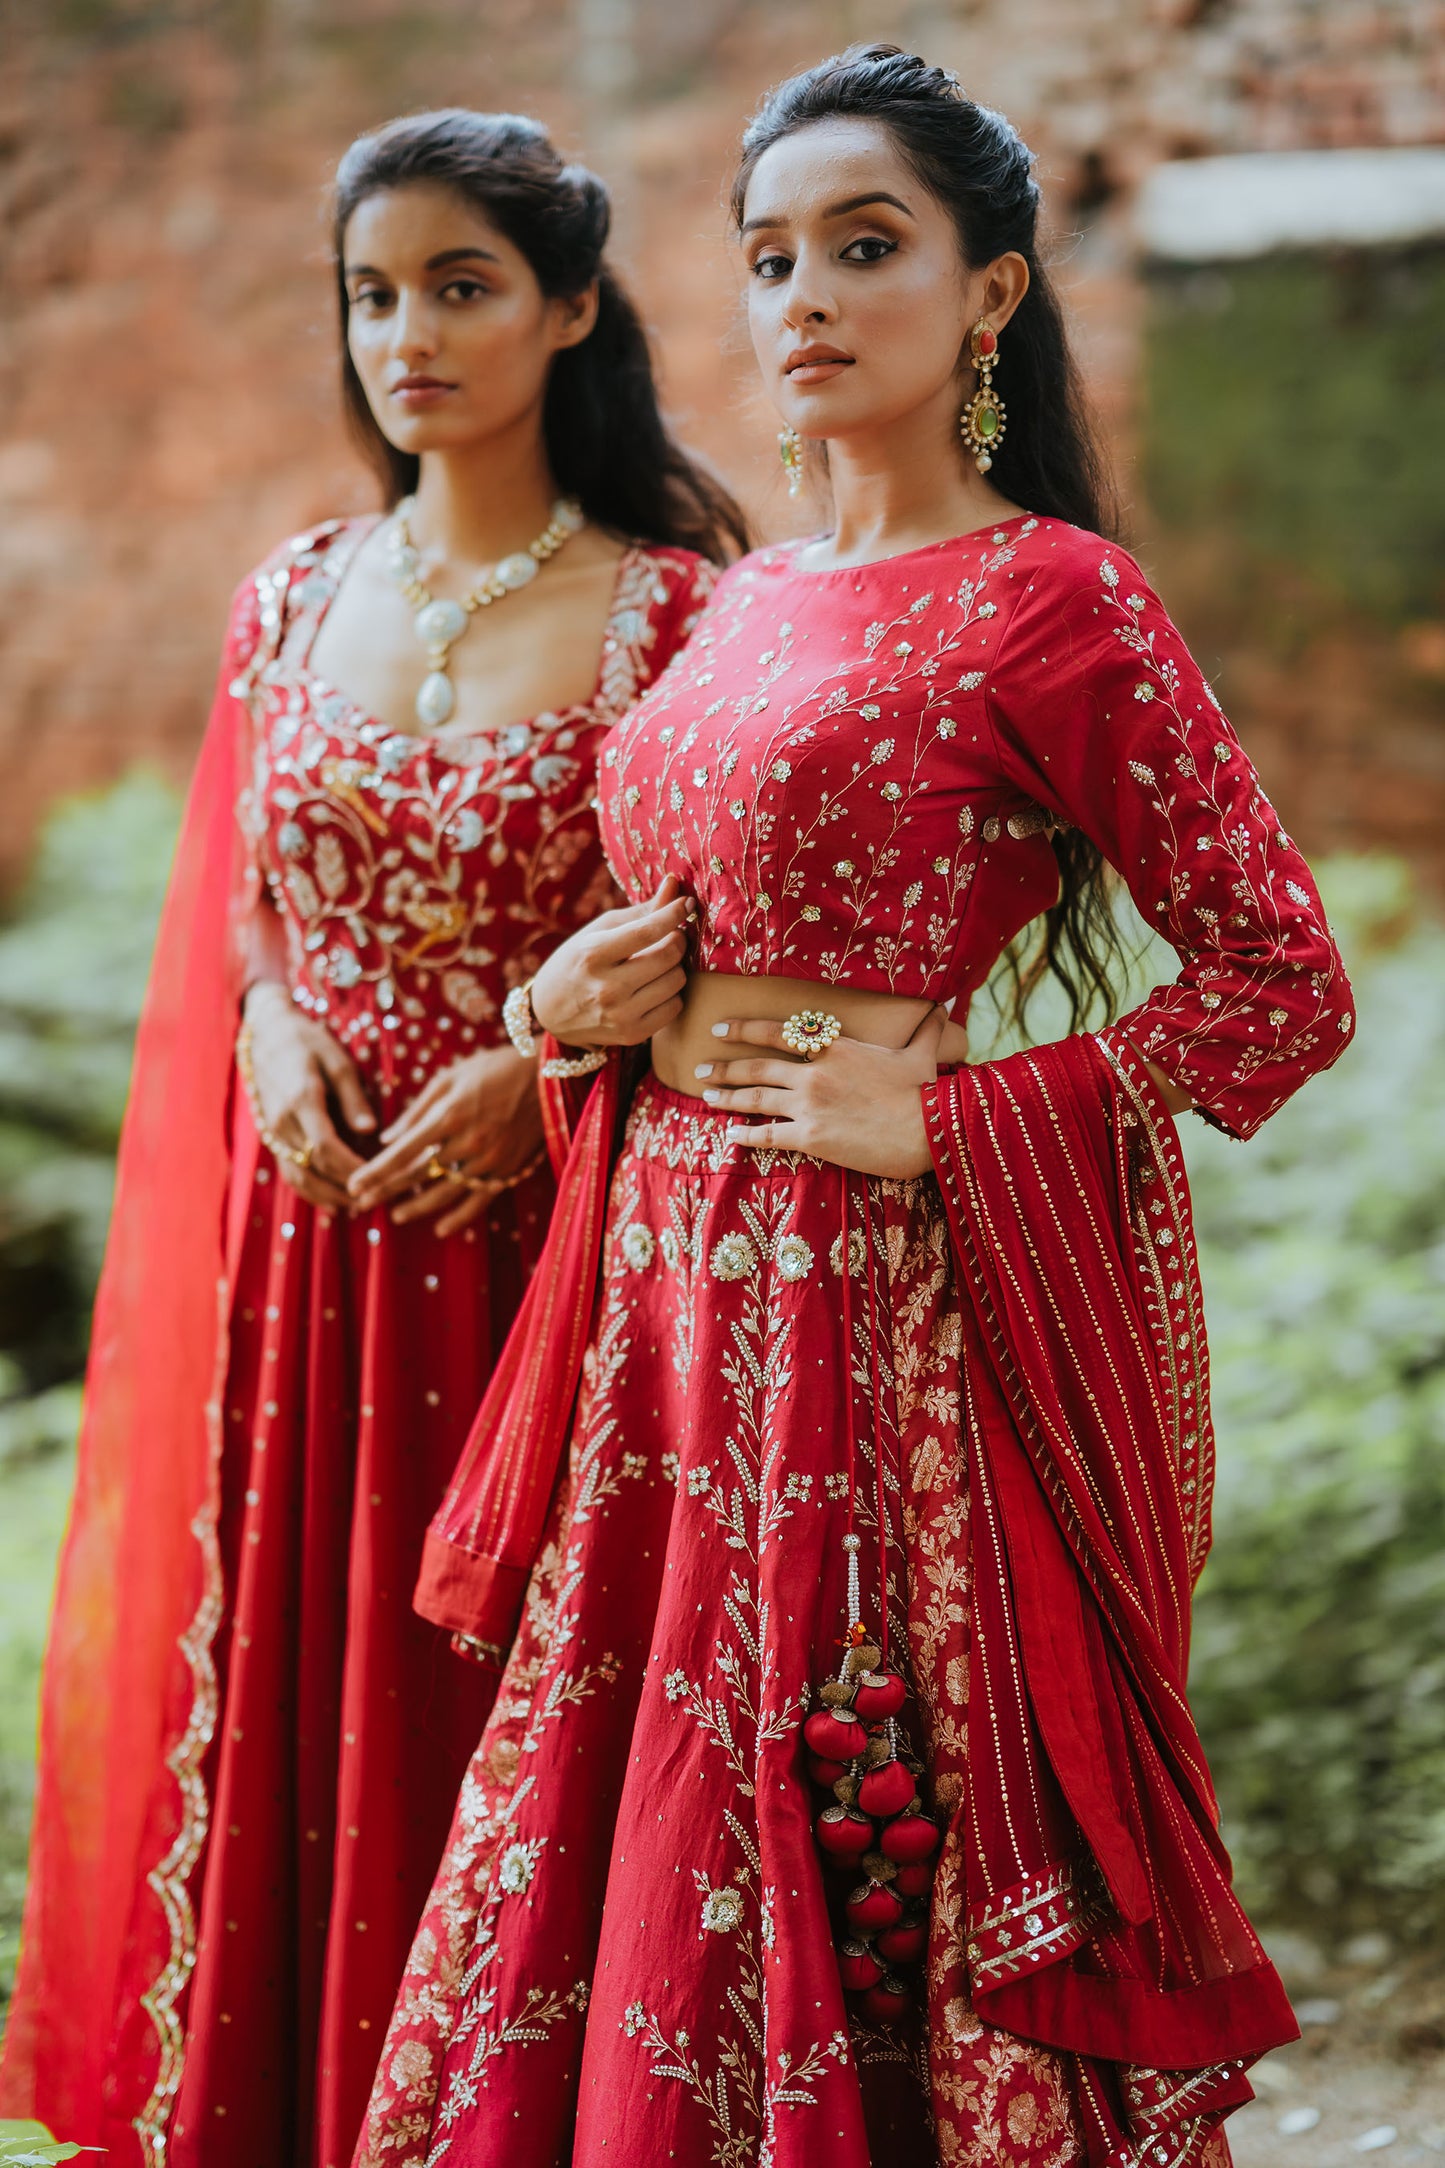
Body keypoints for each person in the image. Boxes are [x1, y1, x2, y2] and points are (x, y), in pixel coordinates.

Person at [353, 49, 1354, 2168]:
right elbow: (652, 929)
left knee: (852, 1804)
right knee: (627, 1809)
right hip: (662, 1322)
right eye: (772, 256)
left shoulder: (1058, 602)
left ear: (991, 295)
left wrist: (975, 1115)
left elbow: (1283, 981)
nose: (803, 295)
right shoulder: (735, 601)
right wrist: (571, 1009)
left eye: (867, 248)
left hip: (875, 1326)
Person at [1, 108, 742, 2167]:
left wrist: (538, 1069)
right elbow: (244, 882)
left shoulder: (674, 616)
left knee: (507, 1699)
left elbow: (707, 936)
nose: (405, 331)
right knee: (293, 1699)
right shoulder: (290, 592)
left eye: (460, 286)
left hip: (551, 1256)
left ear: (572, 309)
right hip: (302, 1237)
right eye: (373, 292)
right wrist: (258, 1014)